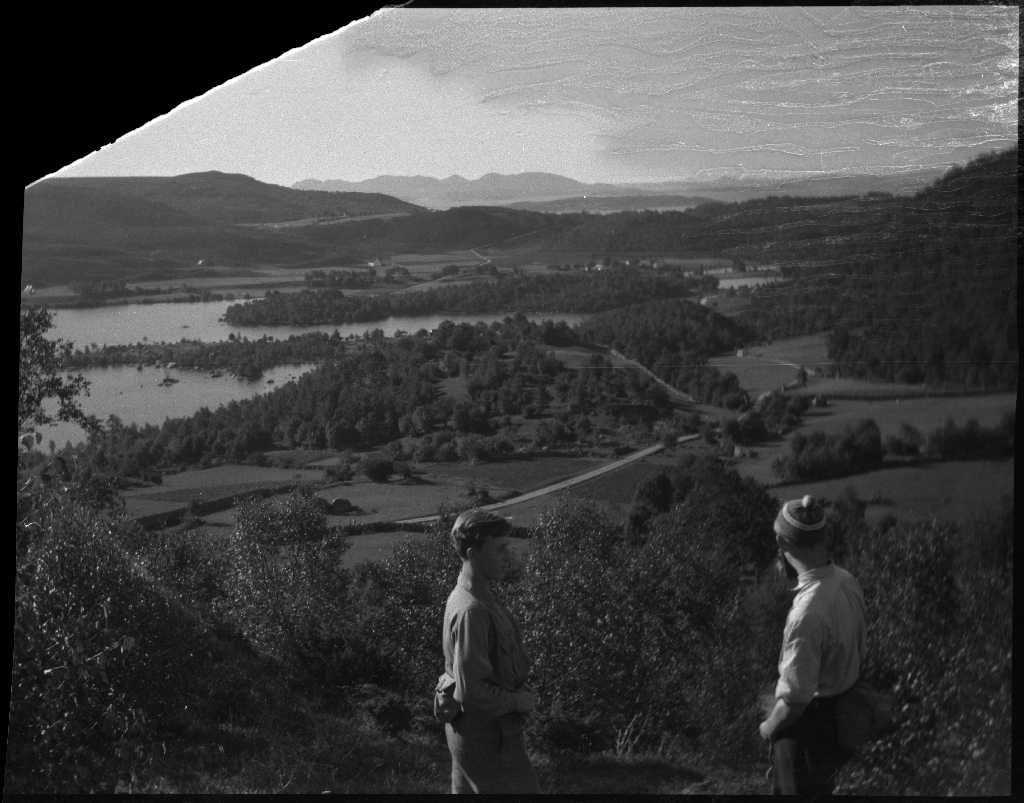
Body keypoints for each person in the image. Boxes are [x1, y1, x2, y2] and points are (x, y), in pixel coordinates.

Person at [759, 495, 866, 796]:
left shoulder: (806, 615)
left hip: (807, 735)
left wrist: (768, 728)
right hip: (840, 720)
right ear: (823, 538)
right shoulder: (847, 582)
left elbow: (794, 702)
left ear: (782, 544)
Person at [440, 509, 541, 794]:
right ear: (473, 555)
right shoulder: (472, 609)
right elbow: (472, 692)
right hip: (489, 738)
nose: (508, 555)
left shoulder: (478, 595)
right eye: (499, 549)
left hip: (481, 735)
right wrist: (517, 702)